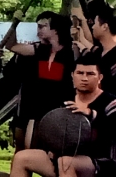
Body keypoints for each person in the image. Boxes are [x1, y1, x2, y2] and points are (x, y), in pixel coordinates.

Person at [5, 12, 75, 149]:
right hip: (34, 106)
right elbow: (11, 45)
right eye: (38, 27)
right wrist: (15, 22)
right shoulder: (38, 49)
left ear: (55, 29)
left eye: (43, 26)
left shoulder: (71, 51)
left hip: (58, 109)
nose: (38, 30)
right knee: (26, 146)